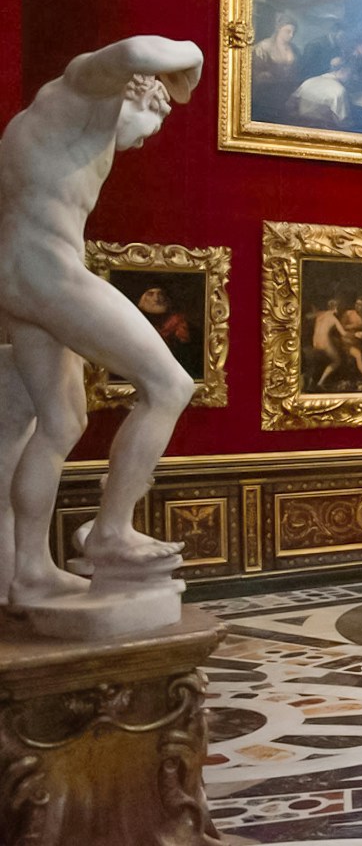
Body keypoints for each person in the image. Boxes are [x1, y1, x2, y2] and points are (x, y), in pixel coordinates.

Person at [0, 35, 203, 607]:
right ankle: (112, 530)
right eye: (148, 129)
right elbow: (136, 51)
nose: (140, 144)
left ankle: (30, 571)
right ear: (136, 97)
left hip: (17, 275)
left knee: (60, 422)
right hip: (46, 270)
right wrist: (193, 56)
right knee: (170, 385)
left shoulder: (40, 125)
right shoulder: (84, 91)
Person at [136, 285, 201, 378]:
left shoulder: (182, 325)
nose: (157, 299)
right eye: (150, 294)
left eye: (161, 294)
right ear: (141, 299)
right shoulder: (136, 322)